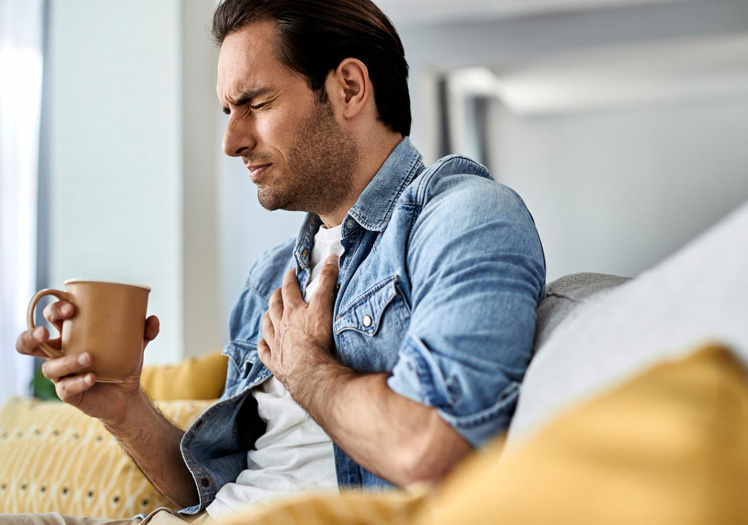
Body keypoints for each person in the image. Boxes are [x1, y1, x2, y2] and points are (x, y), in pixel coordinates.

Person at [9, 0, 545, 523]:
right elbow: (217, 490)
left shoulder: (464, 217)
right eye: (227, 110)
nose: (231, 141)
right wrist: (123, 409)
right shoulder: (272, 277)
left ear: (349, 88)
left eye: (257, 104)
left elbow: (439, 452)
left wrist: (309, 372)